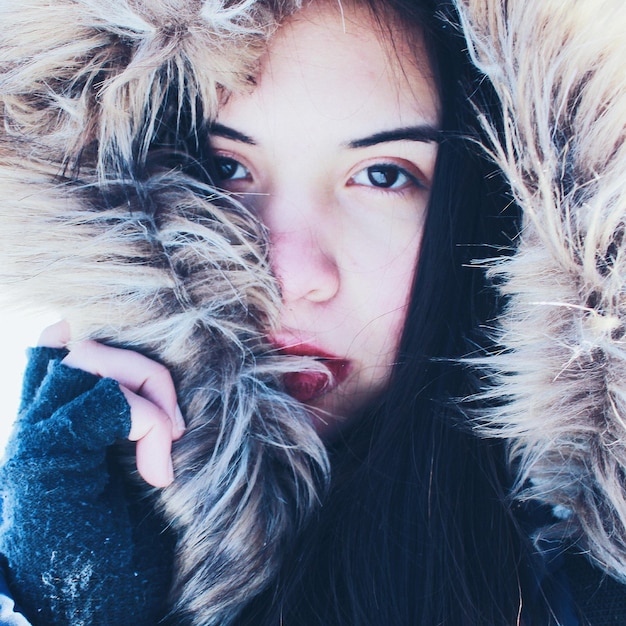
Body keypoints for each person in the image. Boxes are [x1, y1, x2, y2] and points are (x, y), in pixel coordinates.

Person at [0, 0, 625, 624]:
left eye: (382, 175)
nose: (292, 277)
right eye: (226, 169)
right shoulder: (91, 514)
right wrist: (58, 601)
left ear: (513, 213)